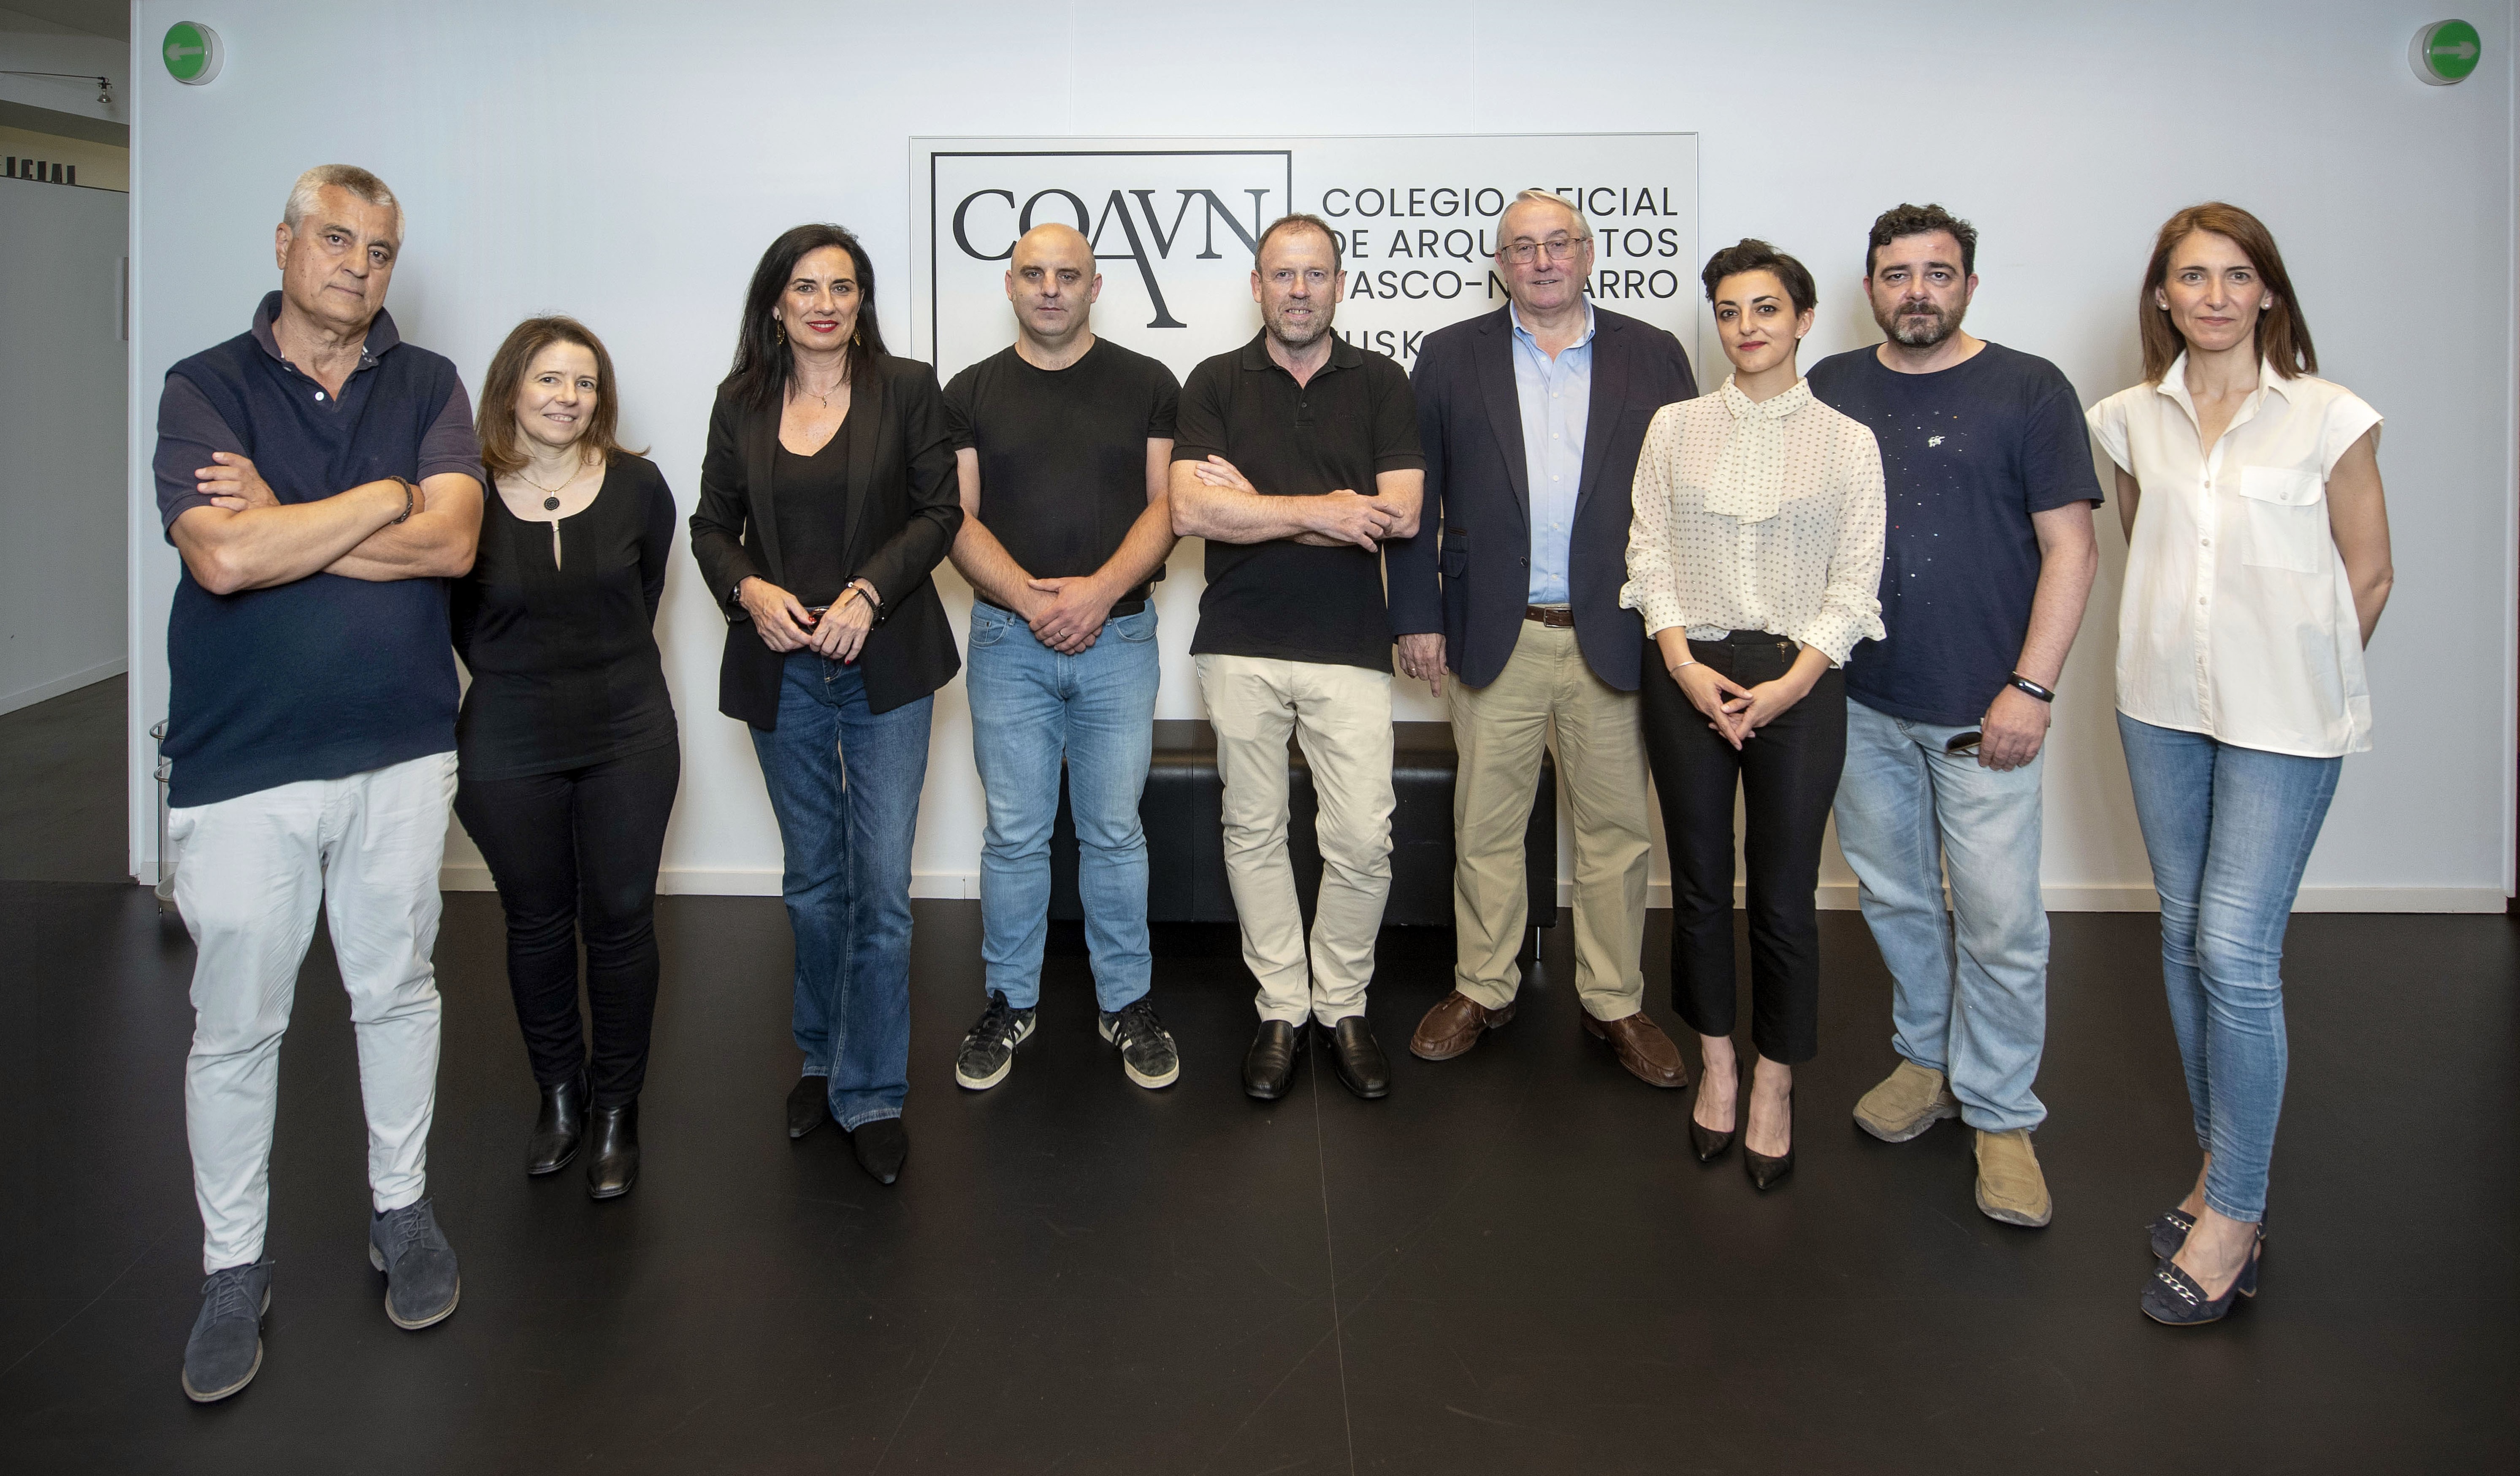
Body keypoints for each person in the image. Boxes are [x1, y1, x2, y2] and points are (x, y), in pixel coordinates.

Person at [154, 165, 483, 1401]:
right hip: (245, 764)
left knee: (396, 990)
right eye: (336, 240)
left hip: (401, 747)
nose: (358, 265)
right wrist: (383, 500)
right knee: (238, 1023)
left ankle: (402, 1209)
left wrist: (294, 513)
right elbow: (226, 560)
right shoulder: (204, 386)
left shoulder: (431, 383)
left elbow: (454, 540)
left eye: (379, 249)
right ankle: (232, 1267)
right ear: (285, 243)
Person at [2088, 202, 2392, 1324]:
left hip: (2285, 725)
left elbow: (2369, 572)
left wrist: (2298, 680)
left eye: (2235, 275)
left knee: (2234, 951)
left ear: (2268, 290)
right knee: (2181, 936)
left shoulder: (2328, 416)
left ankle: (2235, 1215)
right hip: (2162, 707)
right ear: (2162, 296)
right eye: (2191, 276)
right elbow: (2151, 547)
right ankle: (2222, 1165)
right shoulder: (2129, 420)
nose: (2213, 296)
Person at [1806, 203, 2102, 1230]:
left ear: (1969, 285)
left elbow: (2072, 549)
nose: (1917, 291)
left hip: (1987, 706)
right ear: (1871, 288)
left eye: (1938, 273)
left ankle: (2003, 1112)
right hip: (1862, 699)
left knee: (2001, 920)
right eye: (1897, 274)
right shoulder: (1831, 387)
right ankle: (1927, 1059)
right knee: (1895, 898)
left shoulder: (2030, 388)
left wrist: (2033, 687)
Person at [1388, 189, 1698, 1087]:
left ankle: (1613, 1000)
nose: (1542, 261)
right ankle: (1483, 986)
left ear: (1588, 253)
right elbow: (1416, 497)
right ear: (1501, 264)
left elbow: (1684, 496)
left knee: (1616, 831)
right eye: (1522, 248)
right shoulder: (1451, 354)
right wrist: (1417, 615)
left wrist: (1684, 630)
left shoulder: (1653, 352)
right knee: (1485, 825)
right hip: (1497, 631)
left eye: (1557, 243)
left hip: (1618, 630)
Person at [688, 224, 962, 1186]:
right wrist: (748, 590)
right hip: (784, 666)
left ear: (861, 301)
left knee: (879, 889)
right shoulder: (740, 401)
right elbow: (710, 525)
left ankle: (873, 1089)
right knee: (813, 883)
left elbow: (939, 513)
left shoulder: (908, 388)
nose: (825, 304)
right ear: (777, 302)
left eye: (842, 287)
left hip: (884, 662)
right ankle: (822, 1055)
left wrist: (869, 594)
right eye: (806, 287)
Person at [1624, 239, 1884, 1190]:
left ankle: (1775, 1078)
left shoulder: (1848, 442)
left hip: (1798, 678)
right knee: (1698, 883)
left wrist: (1788, 685)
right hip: (1686, 669)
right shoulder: (1674, 427)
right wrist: (1684, 666)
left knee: (1782, 893)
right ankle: (1719, 1062)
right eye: (1730, 311)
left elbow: (1855, 583)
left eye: (1766, 308)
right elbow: (1648, 554)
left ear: (1804, 319)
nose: (1747, 327)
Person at [1171, 213, 1425, 1101]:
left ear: (1340, 285)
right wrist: (1328, 511)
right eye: (1282, 274)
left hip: (1349, 647)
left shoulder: (1383, 381)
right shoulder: (1212, 381)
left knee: (1361, 837)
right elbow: (1192, 512)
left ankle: (1341, 1002)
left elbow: (1399, 515)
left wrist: (1260, 504)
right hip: (1238, 642)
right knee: (1254, 831)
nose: (1299, 290)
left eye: (1315, 274)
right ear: (1257, 285)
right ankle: (1281, 1005)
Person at [943, 223, 1183, 1092]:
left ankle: (1127, 1003)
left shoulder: (1148, 383)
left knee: (1114, 832)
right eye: (1034, 274)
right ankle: (1010, 1000)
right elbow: (956, 520)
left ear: (1096, 286)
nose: (1051, 288)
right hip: (1008, 643)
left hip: (1118, 637)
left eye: (1068, 275)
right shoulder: (968, 391)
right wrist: (1034, 600)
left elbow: (1167, 508)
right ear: (1009, 285)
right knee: (1014, 835)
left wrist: (1093, 595)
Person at [452, 317, 680, 1200]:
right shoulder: (463, 490)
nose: (568, 397)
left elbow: (644, 592)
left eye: (585, 383)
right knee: (537, 922)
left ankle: (617, 1107)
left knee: (621, 919)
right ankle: (560, 1095)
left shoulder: (639, 486)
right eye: (549, 379)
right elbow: (456, 617)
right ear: (511, 387)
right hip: (508, 736)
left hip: (627, 729)